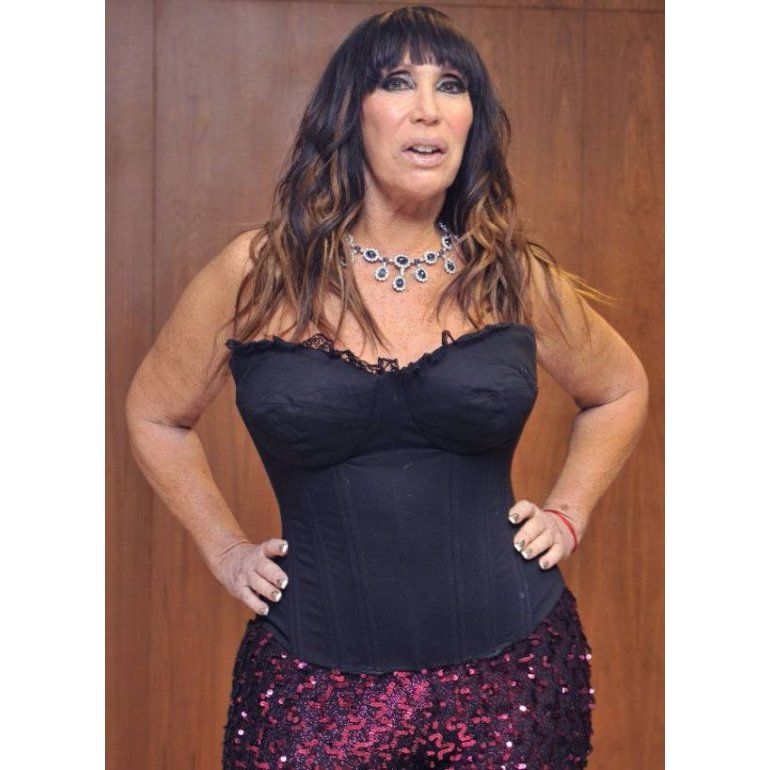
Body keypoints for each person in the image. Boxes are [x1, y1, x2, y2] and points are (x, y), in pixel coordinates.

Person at [125, 6, 649, 769]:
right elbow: (156, 414)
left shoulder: (510, 274)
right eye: (397, 82)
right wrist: (225, 548)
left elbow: (619, 388)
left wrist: (569, 511)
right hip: (309, 688)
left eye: (452, 85)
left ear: (472, 121)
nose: (428, 107)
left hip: (515, 674)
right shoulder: (258, 272)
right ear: (350, 113)